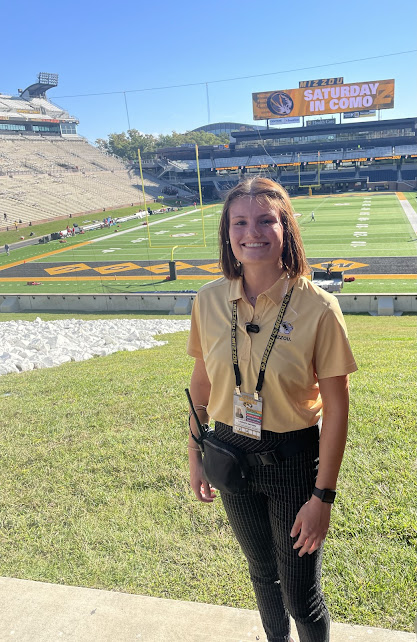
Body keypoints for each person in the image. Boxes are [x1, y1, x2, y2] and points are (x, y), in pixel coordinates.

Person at [187, 177, 357, 642]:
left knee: (300, 593)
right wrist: (195, 455)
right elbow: (200, 385)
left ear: (286, 229)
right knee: (262, 576)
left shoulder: (318, 307)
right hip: (228, 451)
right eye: (239, 222)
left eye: (266, 220)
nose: (252, 232)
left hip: (293, 462)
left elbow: (337, 409)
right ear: (227, 232)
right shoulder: (208, 300)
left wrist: (323, 497)